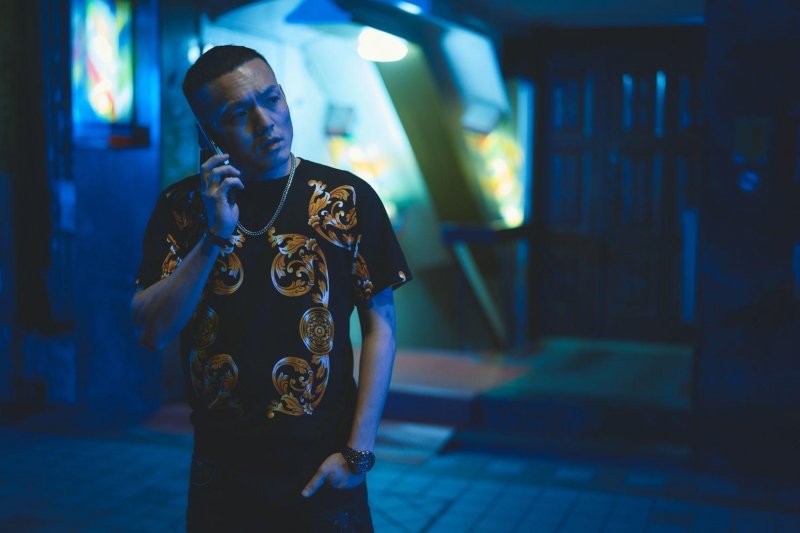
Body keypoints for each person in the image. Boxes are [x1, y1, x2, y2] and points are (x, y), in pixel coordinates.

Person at [131, 45, 411, 532]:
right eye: (239, 114)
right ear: (207, 133)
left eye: (272, 98)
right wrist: (214, 236)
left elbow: (380, 326)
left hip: (322, 465)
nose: (266, 123)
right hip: (222, 472)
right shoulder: (182, 208)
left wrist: (358, 453)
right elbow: (152, 331)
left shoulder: (345, 198)